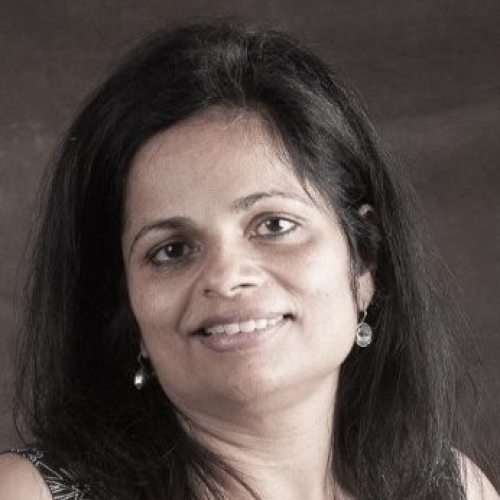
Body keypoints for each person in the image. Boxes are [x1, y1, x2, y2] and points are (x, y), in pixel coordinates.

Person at [0, 21, 497, 500]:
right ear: (125, 306)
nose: (226, 276)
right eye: (171, 250)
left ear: (365, 262)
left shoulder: (454, 488)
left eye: (274, 225)